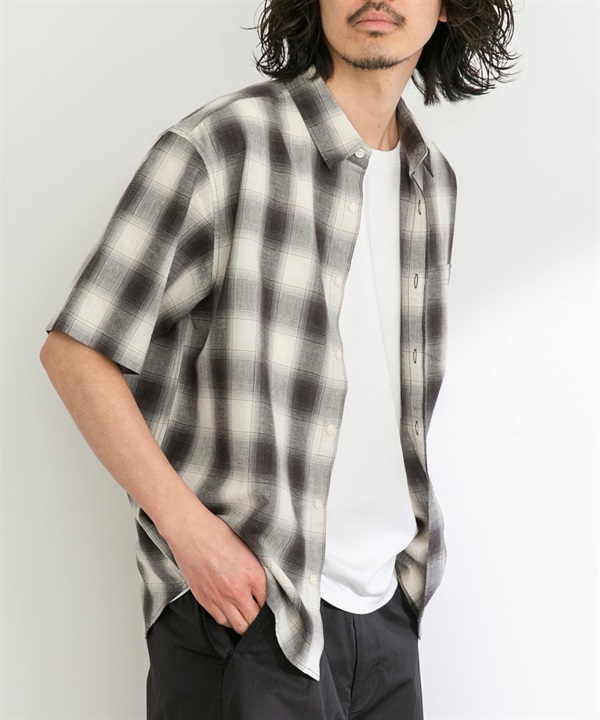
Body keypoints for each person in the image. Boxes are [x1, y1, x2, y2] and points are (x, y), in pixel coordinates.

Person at [40, 1, 516, 717]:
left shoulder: (433, 183)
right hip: (249, 610)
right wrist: (191, 536)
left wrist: (402, 587)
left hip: (386, 613)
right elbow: (77, 351)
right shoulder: (225, 144)